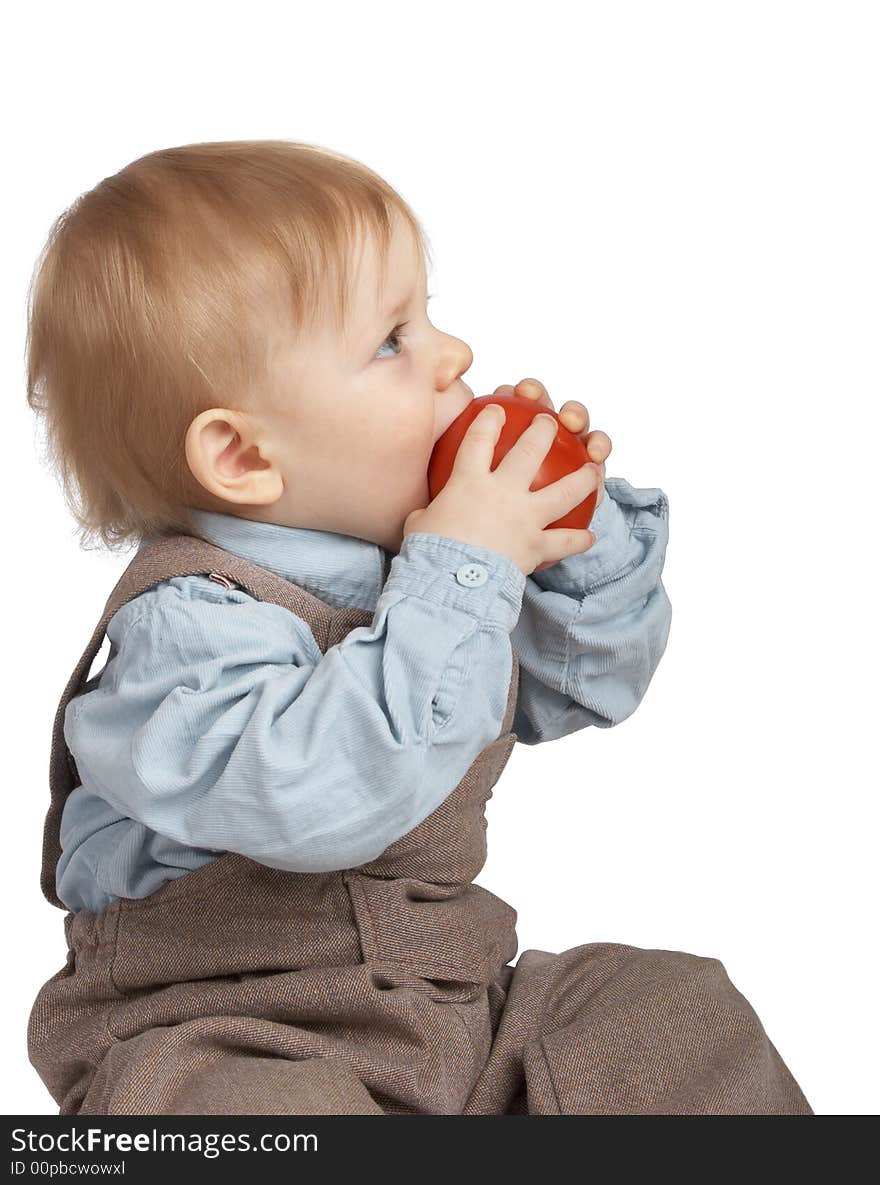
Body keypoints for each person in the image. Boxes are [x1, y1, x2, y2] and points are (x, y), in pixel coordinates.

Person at [25, 139, 812, 1114]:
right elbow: (323, 794)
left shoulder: (433, 568)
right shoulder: (187, 632)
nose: (455, 358)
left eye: (428, 313)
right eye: (393, 340)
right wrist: (467, 565)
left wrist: (569, 535)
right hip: (224, 1037)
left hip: (449, 1018)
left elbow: (590, 683)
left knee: (664, 1011)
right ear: (241, 456)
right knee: (237, 1124)